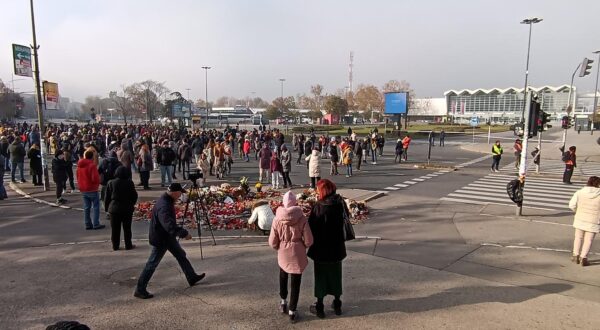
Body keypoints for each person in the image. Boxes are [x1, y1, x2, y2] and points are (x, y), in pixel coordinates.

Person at [135, 183, 205, 299]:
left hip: (167, 237)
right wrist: (183, 233)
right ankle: (140, 288)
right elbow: (169, 225)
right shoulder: (165, 205)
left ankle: (191, 276)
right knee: (152, 264)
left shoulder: (166, 201)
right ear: (174, 192)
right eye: (179, 193)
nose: (180, 196)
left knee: (181, 255)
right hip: (161, 238)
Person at [269, 191, 314, 323]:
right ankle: (292, 311)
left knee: (283, 276)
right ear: (295, 203)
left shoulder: (277, 219)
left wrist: (279, 247)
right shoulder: (302, 218)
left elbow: (272, 242)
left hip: (283, 251)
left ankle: (283, 302)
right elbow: (309, 240)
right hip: (298, 252)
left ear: (283, 202)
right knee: (296, 282)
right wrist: (302, 246)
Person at [307, 179, 348, 318]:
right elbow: (346, 219)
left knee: (320, 277)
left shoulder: (319, 206)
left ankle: (319, 307)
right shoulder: (340, 203)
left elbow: (311, 226)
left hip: (321, 248)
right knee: (336, 275)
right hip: (337, 247)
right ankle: (337, 304)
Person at [104, 166, 138, 251]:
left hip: (114, 208)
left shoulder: (111, 182)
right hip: (127, 207)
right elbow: (134, 195)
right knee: (127, 228)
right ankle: (128, 245)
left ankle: (115, 246)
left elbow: (107, 197)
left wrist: (107, 208)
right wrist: (132, 204)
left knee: (115, 229)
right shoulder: (129, 182)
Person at [569, 176, 600, 267]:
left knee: (578, 237)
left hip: (580, 218)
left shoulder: (580, 192)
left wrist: (577, 211)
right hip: (594, 220)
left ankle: (576, 255)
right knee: (588, 240)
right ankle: (584, 258)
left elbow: (572, 205)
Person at [77, 150, 105, 230]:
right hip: (92, 188)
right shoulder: (92, 166)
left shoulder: (79, 165)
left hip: (83, 188)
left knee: (87, 207)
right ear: (92, 157)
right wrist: (98, 182)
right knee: (96, 207)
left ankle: (87, 223)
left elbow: (78, 177)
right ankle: (96, 223)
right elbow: (94, 178)